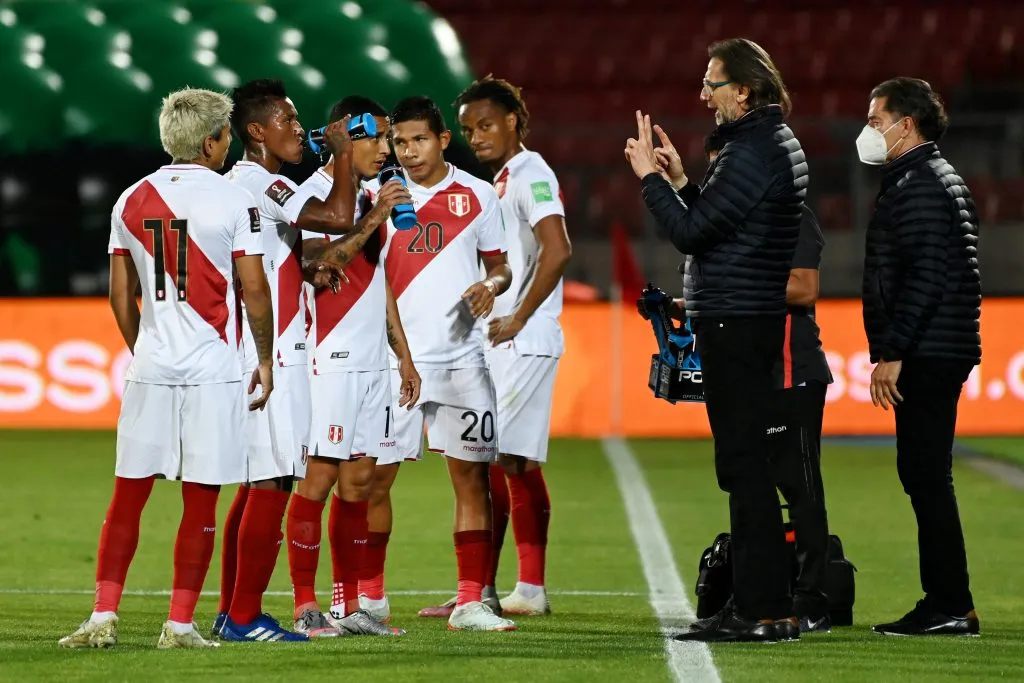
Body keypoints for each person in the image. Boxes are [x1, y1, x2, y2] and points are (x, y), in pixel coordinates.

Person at [59, 88, 274, 649]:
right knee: (200, 499)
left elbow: (118, 292)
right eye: (226, 135)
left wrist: (144, 346)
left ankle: (102, 616)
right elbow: (254, 289)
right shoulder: (234, 201)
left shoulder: (130, 198)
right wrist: (267, 359)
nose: (228, 145)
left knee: (128, 494)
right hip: (212, 369)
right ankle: (178, 625)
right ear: (211, 142)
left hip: (152, 366)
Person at [624, 38, 806, 643]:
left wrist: (651, 181)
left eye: (713, 83)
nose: (704, 95)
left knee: (743, 465)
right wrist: (679, 179)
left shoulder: (753, 148)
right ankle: (764, 603)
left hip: (737, 322)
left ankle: (760, 609)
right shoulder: (762, 144)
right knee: (747, 463)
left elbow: (691, 234)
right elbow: (722, 229)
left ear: (744, 90)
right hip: (744, 316)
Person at [669, 130, 834, 634]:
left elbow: (804, 288)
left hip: (791, 369)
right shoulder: (739, 226)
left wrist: (735, 283)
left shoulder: (790, 218)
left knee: (799, 489)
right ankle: (766, 594)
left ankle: (813, 598)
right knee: (756, 481)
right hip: (759, 367)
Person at [213, 78, 360, 643]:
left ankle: (233, 611)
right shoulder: (265, 182)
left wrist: (309, 268)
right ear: (257, 131)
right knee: (273, 483)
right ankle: (244, 616)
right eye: (289, 121)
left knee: (257, 484)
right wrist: (343, 151)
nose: (301, 130)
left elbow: (279, 255)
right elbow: (340, 214)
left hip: (257, 346)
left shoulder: (243, 183)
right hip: (276, 351)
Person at [364, 95, 517, 632]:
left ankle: (471, 601)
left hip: (461, 361)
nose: (408, 151)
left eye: (419, 139)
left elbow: (502, 267)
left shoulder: (477, 196)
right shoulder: (375, 198)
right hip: (392, 363)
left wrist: (490, 286)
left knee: (471, 480)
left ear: (443, 140)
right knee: (371, 482)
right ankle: (370, 600)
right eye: (399, 142)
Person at [425, 75, 571, 618]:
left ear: (513, 119)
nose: (477, 136)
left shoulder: (531, 175)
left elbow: (558, 251)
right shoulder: (507, 179)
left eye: (486, 124)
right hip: (514, 338)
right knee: (515, 462)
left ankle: (479, 593)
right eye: (467, 129)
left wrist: (517, 317)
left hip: (521, 339)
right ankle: (528, 589)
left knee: (483, 457)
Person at [284, 96, 418, 638]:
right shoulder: (313, 196)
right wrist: (374, 218)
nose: (387, 150)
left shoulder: (365, 196)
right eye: (379, 139)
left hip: (370, 363)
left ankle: (349, 606)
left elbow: (380, 287)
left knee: (358, 484)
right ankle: (304, 606)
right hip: (331, 360)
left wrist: (402, 356)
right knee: (317, 481)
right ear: (348, 137)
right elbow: (320, 265)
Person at [856, 78, 982, 637]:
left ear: (907, 124)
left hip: (929, 349)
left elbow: (924, 278)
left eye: (876, 119)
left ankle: (950, 603)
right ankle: (948, 599)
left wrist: (894, 350)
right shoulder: (927, 177)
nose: (869, 130)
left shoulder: (922, 184)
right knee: (924, 473)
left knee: (927, 475)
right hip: (936, 345)